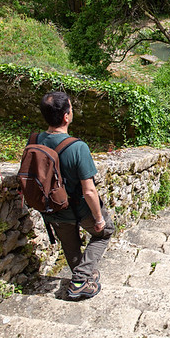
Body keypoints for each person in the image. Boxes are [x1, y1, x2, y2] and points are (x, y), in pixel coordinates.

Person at [37, 91, 114, 299]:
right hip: (79, 209)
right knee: (105, 232)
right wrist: (98, 218)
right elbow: (89, 190)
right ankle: (80, 279)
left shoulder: (35, 140)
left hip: (53, 209)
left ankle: (83, 276)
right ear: (66, 116)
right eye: (70, 108)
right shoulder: (77, 147)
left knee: (70, 246)